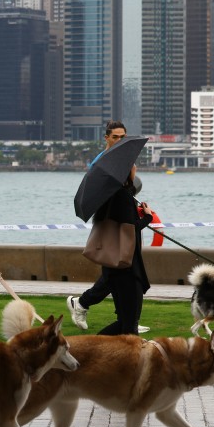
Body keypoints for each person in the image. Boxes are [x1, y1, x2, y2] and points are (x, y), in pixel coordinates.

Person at [67, 120, 151, 334]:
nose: (119, 140)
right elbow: (128, 226)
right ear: (106, 137)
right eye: (115, 137)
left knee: (117, 290)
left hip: (119, 243)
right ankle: (91, 306)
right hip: (122, 251)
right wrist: (146, 218)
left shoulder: (119, 176)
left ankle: (126, 318)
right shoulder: (104, 167)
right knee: (118, 282)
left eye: (123, 137)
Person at [93, 165, 153, 336]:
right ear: (126, 172)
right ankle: (94, 346)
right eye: (133, 167)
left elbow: (121, 225)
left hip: (113, 268)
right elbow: (131, 229)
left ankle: (93, 346)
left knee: (124, 322)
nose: (136, 169)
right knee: (130, 324)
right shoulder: (122, 196)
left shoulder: (109, 195)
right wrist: (147, 217)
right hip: (127, 268)